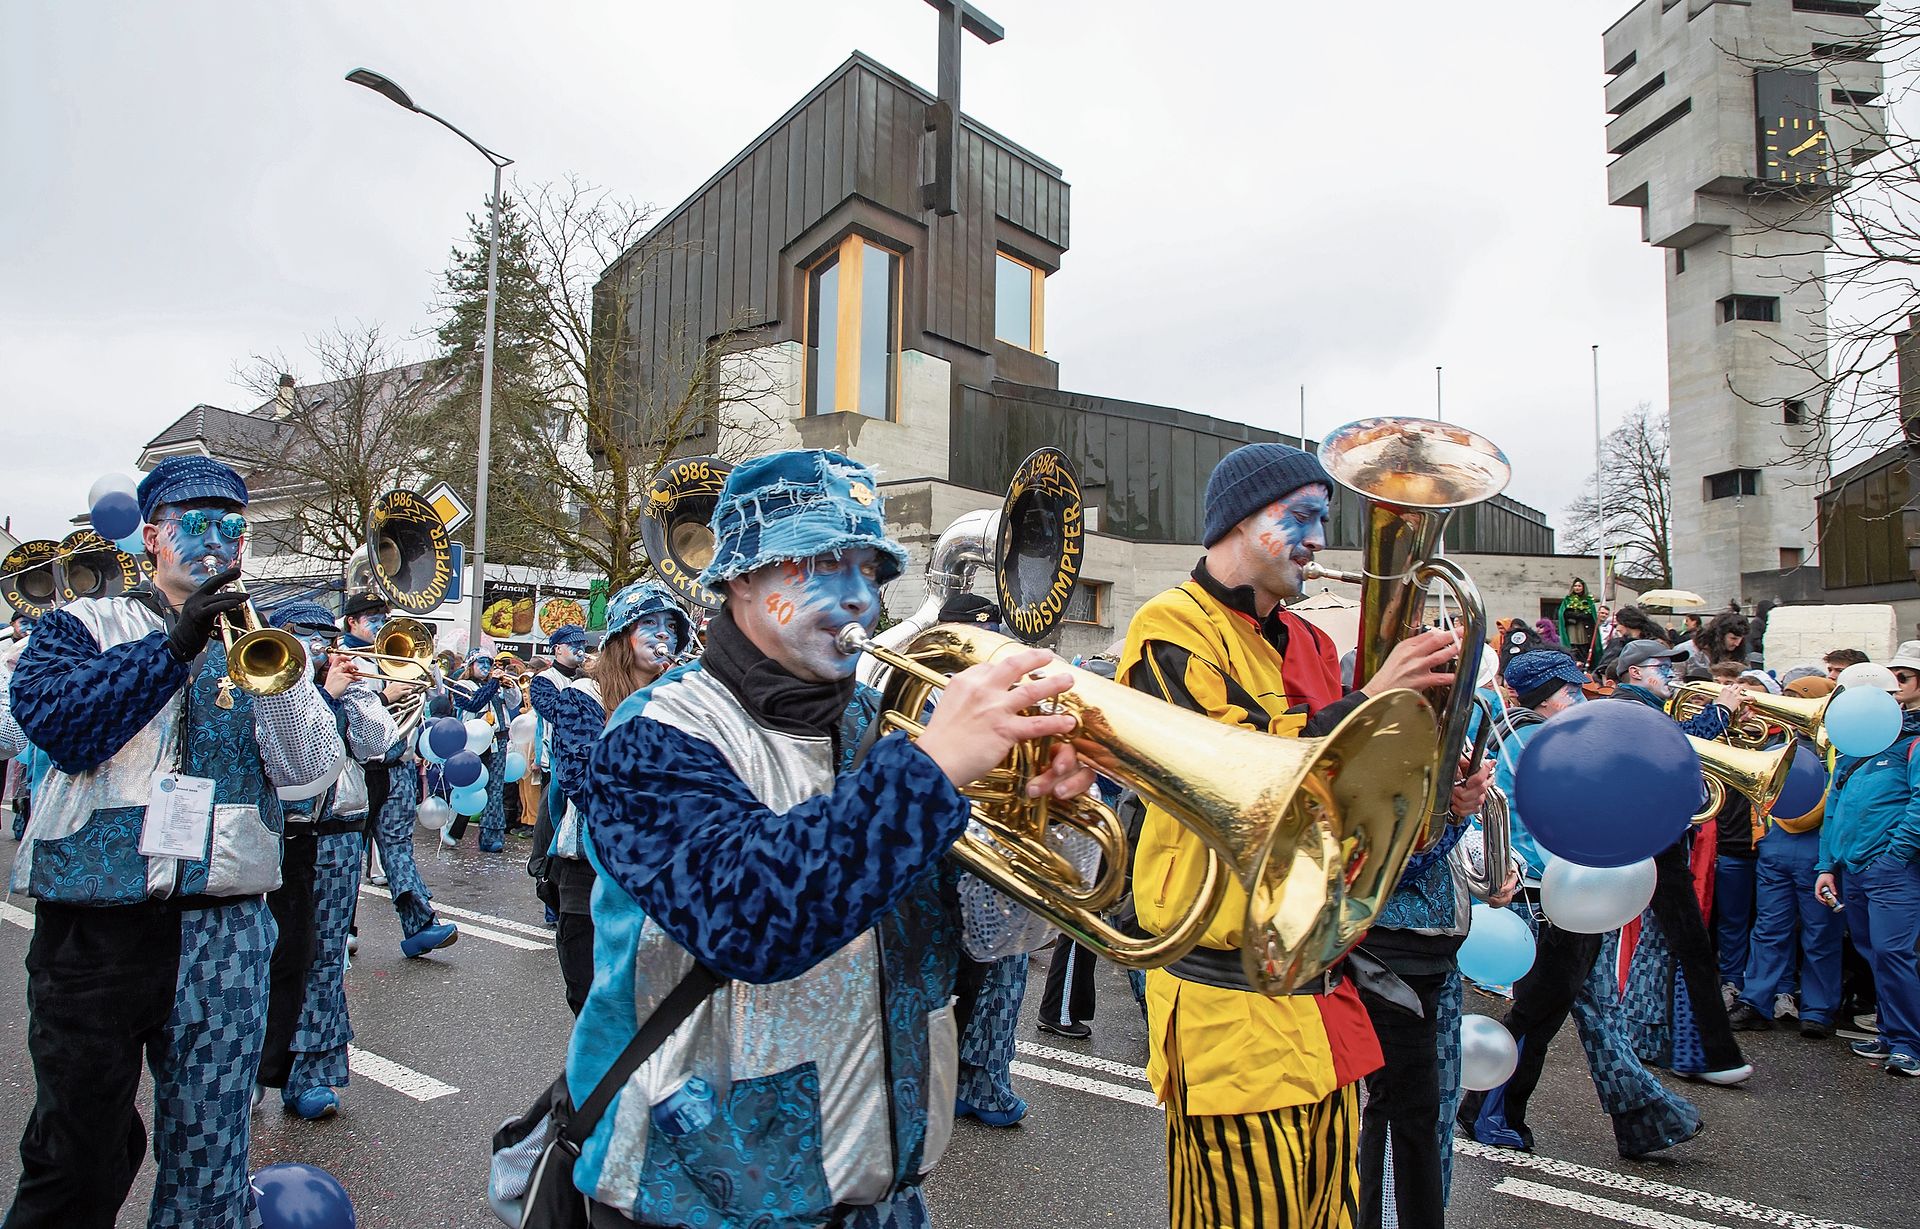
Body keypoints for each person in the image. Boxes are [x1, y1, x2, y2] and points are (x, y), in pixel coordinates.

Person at [567, 449, 1095, 1226]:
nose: (856, 596)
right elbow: (750, 918)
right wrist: (931, 771)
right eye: (820, 563)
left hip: (881, 1185)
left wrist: (1044, 824)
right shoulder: (652, 733)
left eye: (871, 571)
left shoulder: (886, 729)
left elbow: (988, 937)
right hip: (696, 1194)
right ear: (742, 577)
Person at [1119, 441, 1487, 1228]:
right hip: (1226, 999)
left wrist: (1436, 804)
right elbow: (1236, 774)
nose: (1321, 539)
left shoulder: (1314, 645)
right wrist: (1368, 706)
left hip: (1318, 994)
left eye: (1326, 518)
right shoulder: (1169, 626)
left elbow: (1343, 818)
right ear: (1245, 520)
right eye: (1305, 518)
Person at [4, 456, 344, 1228]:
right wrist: (171, 648)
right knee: (79, 1156)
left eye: (234, 527)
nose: (219, 541)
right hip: (98, 926)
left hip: (224, 928)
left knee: (211, 1164)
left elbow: (308, 778)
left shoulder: (266, 642)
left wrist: (283, 681)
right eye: (197, 524)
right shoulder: (83, 625)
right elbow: (60, 725)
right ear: (152, 536)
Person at [1460, 650, 1702, 1159]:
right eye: (1572, 692)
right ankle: (1489, 1111)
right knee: (1538, 1015)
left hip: (1569, 895)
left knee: (1597, 1012)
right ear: (1550, 696)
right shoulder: (1539, 742)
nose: (1581, 699)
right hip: (1553, 899)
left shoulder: (1519, 735)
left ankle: (1645, 1116)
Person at [254, 602, 399, 1120]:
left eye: (325, 633)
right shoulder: (264, 675)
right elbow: (279, 751)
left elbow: (380, 745)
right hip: (280, 831)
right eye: (306, 636)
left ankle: (310, 1074)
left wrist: (358, 695)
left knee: (324, 957)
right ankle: (251, 1068)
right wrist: (321, 696)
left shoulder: (352, 685)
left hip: (338, 829)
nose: (320, 645)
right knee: (266, 957)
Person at [528, 587, 688, 1015]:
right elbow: (581, 779)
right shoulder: (584, 696)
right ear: (622, 635)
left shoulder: (681, 700)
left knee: (655, 1014)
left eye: (671, 627)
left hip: (659, 873)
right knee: (594, 1005)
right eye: (649, 625)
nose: (663, 637)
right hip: (589, 869)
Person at [1610, 639, 1755, 1085]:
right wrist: (1720, 713)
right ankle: (1713, 1054)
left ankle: (1660, 1042)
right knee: (1691, 947)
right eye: (1661, 666)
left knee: (1668, 945)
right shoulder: (1629, 709)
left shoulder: (1644, 707)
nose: (1671, 673)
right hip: (1655, 843)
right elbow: (1672, 748)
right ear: (1635, 673)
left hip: (1661, 840)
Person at [1816, 643, 1920, 1077]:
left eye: (1903, 677)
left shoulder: (1913, 743)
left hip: (1889, 871)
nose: (1894, 687)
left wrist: (1894, 856)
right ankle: (1892, 1032)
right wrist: (1826, 866)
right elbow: (1834, 810)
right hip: (1856, 870)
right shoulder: (1856, 745)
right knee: (1875, 952)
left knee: (1894, 952)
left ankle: (1908, 1044)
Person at [1727, 676, 1843, 1038]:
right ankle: (1756, 1001)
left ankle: (1818, 1010)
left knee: (1820, 932)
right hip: (1777, 845)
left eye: (1796, 701)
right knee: (1768, 929)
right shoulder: (1775, 743)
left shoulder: (1836, 747)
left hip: (1816, 847)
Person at [343, 594, 458, 959]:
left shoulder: (400, 656)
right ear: (352, 624)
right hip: (357, 770)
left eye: (383, 617)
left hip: (398, 767)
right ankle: (341, 926)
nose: (380, 624)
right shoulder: (341, 658)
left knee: (397, 849)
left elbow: (429, 699)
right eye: (371, 618)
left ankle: (421, 925)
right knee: (347, 852)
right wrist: (384, 693)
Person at [444, 650, 521, 851]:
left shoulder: (496, 686)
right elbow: (474, 702)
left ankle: (492, 836)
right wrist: (493, 683)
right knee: (469, 785)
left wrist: (511, 688)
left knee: (495, 790)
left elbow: (514, 703)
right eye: (481, 663)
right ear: (471, 665)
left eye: (489, 663)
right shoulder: (463, 686)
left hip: (498, 740)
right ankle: (452, 829)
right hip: (474, 741)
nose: (486, 667)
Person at [1555, 578, 1601, 672]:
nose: (1577, 588)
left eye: (1579, 586)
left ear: (1583, 587)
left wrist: (1583, 615)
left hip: (1585, 630)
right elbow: (1563, 613)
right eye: (1575, 586)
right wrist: (1576, 615)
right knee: (1574, 647)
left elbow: (1591, 615)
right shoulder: (1568, 600)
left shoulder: (1588, 600)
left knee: (1584, 648)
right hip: (1573, 628)